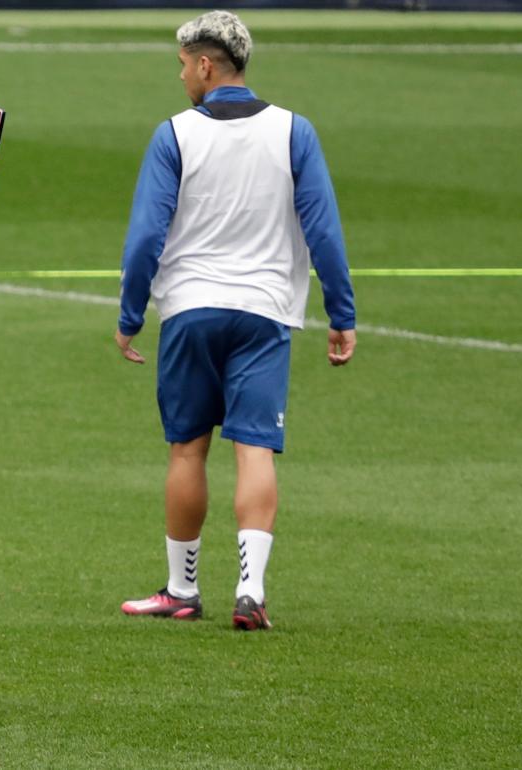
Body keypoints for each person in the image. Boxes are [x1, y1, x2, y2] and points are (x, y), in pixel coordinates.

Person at [115, 11, 356, 630]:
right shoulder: (294, 132)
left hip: (192, 311)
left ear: (205, 64)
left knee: (187, 450)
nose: (181, 77)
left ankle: (181, 590)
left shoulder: (175, 135)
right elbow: (323, 229)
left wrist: (130, 313)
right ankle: (250, 590)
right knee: (255, 450)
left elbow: (146, 237)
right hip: (266, 314)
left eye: (182, 66)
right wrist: (341, 312)